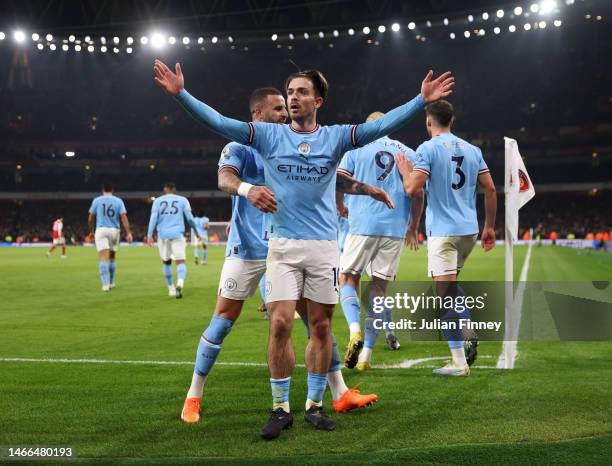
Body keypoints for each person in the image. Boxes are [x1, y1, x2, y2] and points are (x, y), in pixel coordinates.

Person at [154, 59, 453, 437]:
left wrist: (417, 102)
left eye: (298, 94)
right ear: (263, 112)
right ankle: (254, 404)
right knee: (274, 323)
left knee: (321, 326)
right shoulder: (258, 139)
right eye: (287, 95)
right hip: (259, 247)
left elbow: (378, 128)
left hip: (322, 246)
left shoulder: (334, 136)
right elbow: (218, 126)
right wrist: (181, 95)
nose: (291, 101)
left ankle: (320, 403)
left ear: (318, 100)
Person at [180, 87, 380, 433]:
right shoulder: (240, 145)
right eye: (277, 110)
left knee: (314, 323)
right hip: (248, 249)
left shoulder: (291, 141)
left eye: (286, 109)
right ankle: (193, 395)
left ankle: (339, 393)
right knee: (223, 320)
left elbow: (331, 175)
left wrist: (367, 188)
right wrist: (247, 189)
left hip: (288, 247)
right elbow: (224, 178)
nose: (285, 114)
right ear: (257, 114)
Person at [395, 100, 496, 376]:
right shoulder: (473, 150)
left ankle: (459, 361)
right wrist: (489, 226)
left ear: (429, 122)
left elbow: (413, 189)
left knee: (445, 296)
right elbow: (490, 189)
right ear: (451, 120)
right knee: (449, 287)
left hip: (443, 231)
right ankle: (466, 327)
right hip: (469, 230)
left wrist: (406, 171)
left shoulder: (427, 149)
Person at [337, 112, 424, 371]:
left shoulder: (356, 147)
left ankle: (355, 332)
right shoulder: (407, 152)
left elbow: (339, 181)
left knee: (348, 279)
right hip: (395, 228)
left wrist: (340, 204)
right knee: (379, 290)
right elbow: (417, 192)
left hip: (363, 223)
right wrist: (413, 227)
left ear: (368, 126)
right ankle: (367, 357)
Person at [146, 183, 201, 298]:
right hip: (177, 234)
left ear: (164, 190)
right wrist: (196, 231)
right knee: (180, 262)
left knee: (166, 262)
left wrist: (149, 235)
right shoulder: (183, 200)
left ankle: (171, 289)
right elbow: (190, 219)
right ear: (174, 190)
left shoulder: (158, 201)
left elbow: (153, 218)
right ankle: (180, 284)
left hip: (163, 235)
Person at [88, 183, 133, 291]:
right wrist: (128, 233)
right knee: (112, 258)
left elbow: (90, 219)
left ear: (102, 190)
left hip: (101, 230)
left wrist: (91, 232)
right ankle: (112, 282)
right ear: (112, 190)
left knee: (103, 258)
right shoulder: (118, 201)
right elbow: (123, 217)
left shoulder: (97, 200)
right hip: (114, 231)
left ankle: (105, 285)